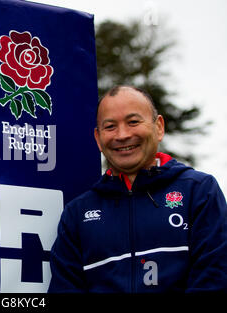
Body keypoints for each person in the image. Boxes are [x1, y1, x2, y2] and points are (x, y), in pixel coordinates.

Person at [48, 85, 227, 292]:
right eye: (110, 127)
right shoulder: (76, 214)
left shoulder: (199, 191)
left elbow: (215, 278)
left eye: (133, 122)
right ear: (98, 138)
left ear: (158, 127)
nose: (122, 135)